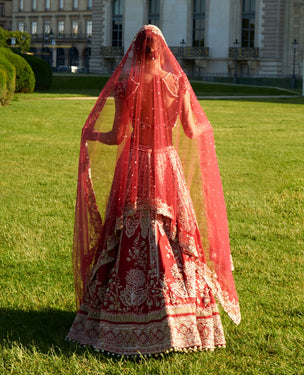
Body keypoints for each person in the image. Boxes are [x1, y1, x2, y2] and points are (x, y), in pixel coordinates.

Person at [66, 25, 240, 356]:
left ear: (136, 49)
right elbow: (192, 130)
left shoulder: (125, 84)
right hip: (167, 166)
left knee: (127, 234)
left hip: (134, 164)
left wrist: (92, 134)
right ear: (161, 49)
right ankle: (183, 315)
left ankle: (120, 312)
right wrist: (207, 125)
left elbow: (118, 136)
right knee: (174, 236)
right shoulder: (177, 83)